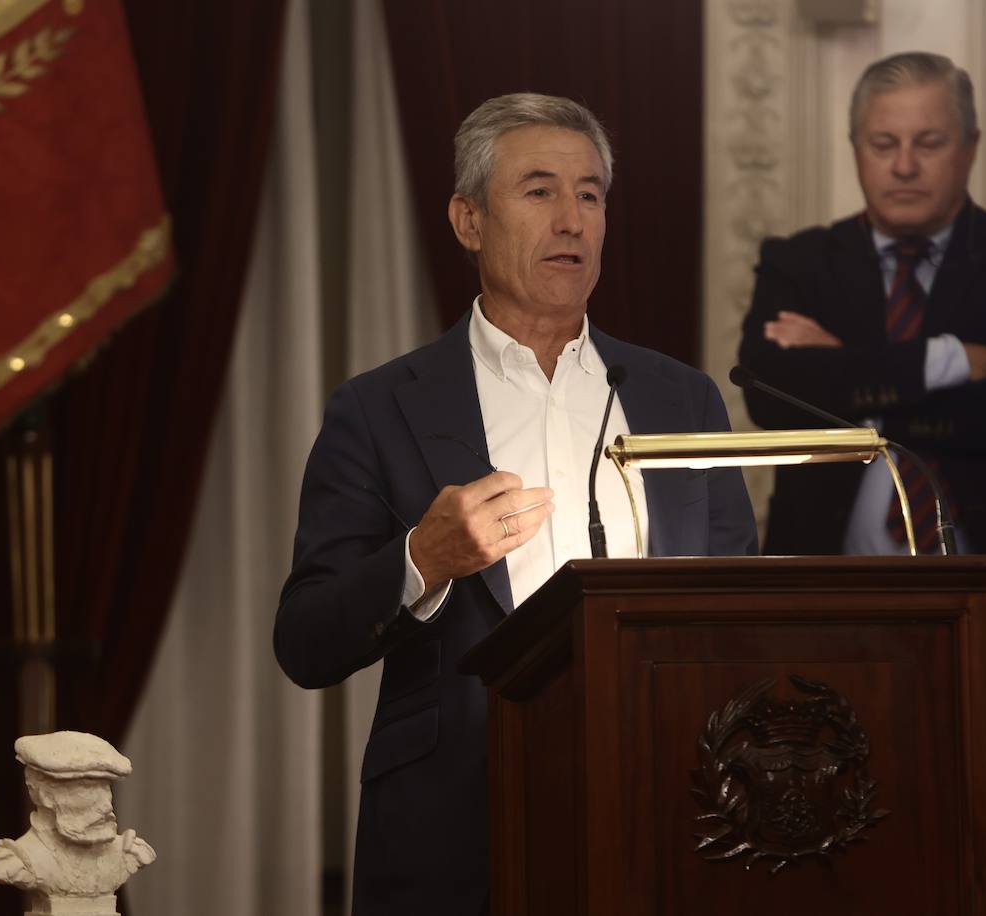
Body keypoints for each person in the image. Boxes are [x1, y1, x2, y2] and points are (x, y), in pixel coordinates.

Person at [275, 92, 757, 915]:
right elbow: (307, 639)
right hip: (455, 822)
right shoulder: (382, 406)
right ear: (468, 220)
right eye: (539, 191)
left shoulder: (680, 398)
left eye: (591, 194)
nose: (572, 219)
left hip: (666, 809)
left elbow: (738, 612)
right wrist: (422, 561)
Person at [737, 52, 986, 915]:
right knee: (837, 866)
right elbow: (767, 394)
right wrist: (952, 360)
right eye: (883, 142)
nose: (903, 165)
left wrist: (849, 374)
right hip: (825, 618)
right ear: (856, 148)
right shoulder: (798, 261)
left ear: (971, 147)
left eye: (928, 142)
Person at [0, 731, 156, 906]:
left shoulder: (128, 852)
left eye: (106, 789)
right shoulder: (17, 860)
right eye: (86, 790)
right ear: (43, 795)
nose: (106, 806)